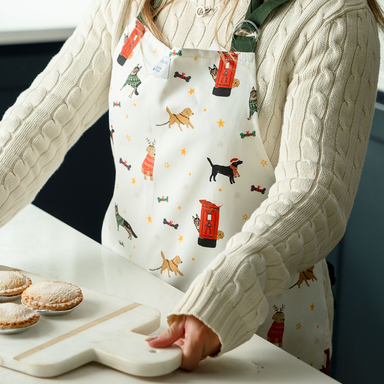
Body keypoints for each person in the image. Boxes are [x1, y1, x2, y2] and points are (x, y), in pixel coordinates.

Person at [0, 0, 382, 373]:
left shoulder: (331, 18)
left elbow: (315, 193)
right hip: (120, 313)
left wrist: (226, 296)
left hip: (246, 336)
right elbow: (42, 119)